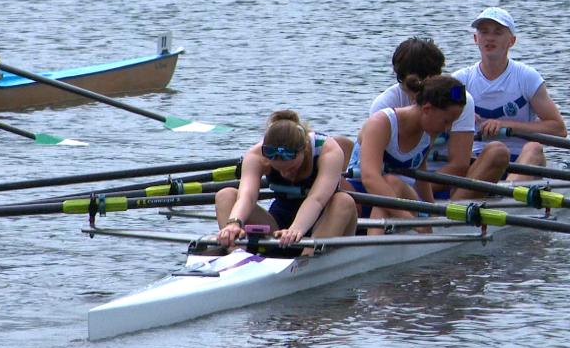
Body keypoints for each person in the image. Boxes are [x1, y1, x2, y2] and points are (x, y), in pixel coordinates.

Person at [369, 37, 509, 200]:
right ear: (401, 79)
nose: (417, 94)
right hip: (400, 184)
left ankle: (451, 215)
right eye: (411, 86)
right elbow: (377, 169)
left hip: (448, 184)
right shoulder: (384, 104)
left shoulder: (459, 98)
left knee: (497, 152)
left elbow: (459, 165)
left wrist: (416, 190)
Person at [216, 110, 358, 256]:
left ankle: (307, 261)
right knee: (226, 195)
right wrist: (234, 223)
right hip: (279, 224)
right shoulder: (256, 154)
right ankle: (236, 255)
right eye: (278, 169)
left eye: (291, 168)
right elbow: (247, 197)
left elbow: (317, 200)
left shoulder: (328, 150)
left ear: (304, 150)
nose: (285, 174)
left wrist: (296, 229)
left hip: (325, 221)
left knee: (343, 200)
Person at [452, 7, 567, 180]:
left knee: (535, 148)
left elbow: (558, 129)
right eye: (484, 32)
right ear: (476, 39)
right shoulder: (460, 81)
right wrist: (460, 116)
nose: (490, 38)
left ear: (511, 41)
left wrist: (506, 125)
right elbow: (436, 120)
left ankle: (508, 192)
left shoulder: (527, 77)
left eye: (498, 32)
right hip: (476, 160)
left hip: (520, 160)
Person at [347, 75, 467, 234]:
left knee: (392, 183)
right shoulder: (382, 123)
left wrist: (433, 214)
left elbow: (421, 175)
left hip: (397, 197)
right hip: (363, 195)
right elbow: (370, 178)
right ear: (427, 109)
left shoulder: (429, 132)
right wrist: (410, 219)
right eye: (446, 121)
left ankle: (374, 243)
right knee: (390, 182)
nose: (448, 128)